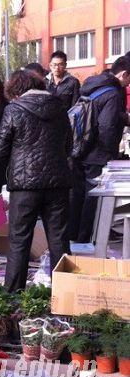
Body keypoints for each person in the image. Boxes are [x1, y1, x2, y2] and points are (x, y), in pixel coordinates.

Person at [0, 70, 72, 293]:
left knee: (19, 240)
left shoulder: (14, 110)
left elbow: (0, 149)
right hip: (58, 183)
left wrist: (14, 164)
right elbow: (69, 145)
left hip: (24, 185)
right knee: (59, 240)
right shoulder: (60, 108)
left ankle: (12, 295)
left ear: (16, 91)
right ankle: (65, 294)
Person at [68, 56, 130, 243]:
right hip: (97, 153)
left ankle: (72, 235)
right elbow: (106, 125)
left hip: (80, 148)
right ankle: (85, 239)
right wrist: (110, 153)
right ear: (124, 74)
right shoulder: (113, 93)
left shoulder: (92, 86)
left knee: (78, 195)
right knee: (93, 198)